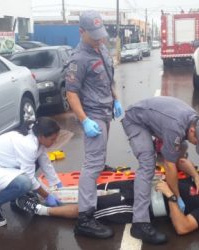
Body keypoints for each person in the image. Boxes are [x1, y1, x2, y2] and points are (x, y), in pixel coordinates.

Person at [14, 160, 199, 236]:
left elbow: (183, 227)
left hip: (137, 205)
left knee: (89, 207)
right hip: (137, 185)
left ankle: (38, 209)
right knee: (90, 190)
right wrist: (196, 176)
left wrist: (172, 199)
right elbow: (180, 161)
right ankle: (41, 193)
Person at [120, 96, 199, 244]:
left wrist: (196, 177)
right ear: (192, 131)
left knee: (182, 147)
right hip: (135, 121)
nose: (196, 144)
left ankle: (160, 148)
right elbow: (170, 165)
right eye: (197, 142)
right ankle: (139, 224)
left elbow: (179, 159)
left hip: (155, 120)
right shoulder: (176, 126)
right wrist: (176, 197)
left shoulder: (193, 121)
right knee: (148, 164)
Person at [65, 10, 123, 239]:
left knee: (99, 157)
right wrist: (85, 120)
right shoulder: (77, 58)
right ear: (81, 32)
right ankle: (85, 219)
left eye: (101, 34)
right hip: (93, 114)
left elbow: (109, 78)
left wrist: (116, 99)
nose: (100, 39)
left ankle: (100, 165)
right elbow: (71, 94)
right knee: (91, 166)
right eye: (95, 35)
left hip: (107, 110)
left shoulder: (102, 48)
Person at [0, 117, 63, 227]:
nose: (55, 142)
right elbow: (30, 178)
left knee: (31, 168)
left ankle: (18, 195)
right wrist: (47, 196)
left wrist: (56, 183)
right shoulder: (28, 145)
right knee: (24, 183)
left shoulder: (36, 136)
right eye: (52, 139)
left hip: (1, 164)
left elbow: (45, 161)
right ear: (41, 136)